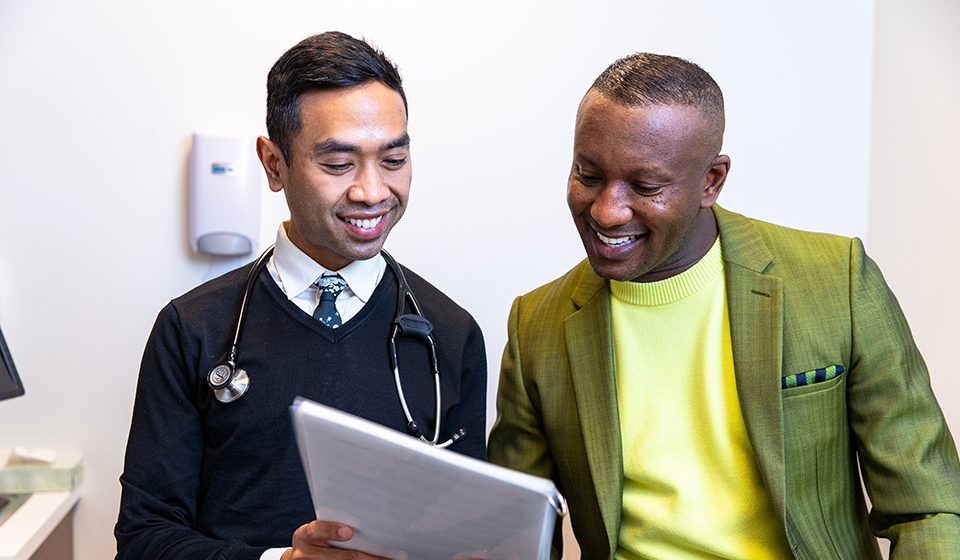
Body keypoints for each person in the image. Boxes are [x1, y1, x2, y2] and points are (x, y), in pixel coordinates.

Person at [487, 52, 960, 559]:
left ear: (711, 181)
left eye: (645, 187)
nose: (607, 210)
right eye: (587, 174)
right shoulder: (537, 325)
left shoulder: (837, 280)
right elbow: (515, 533)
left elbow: (927, 508)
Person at [115, 32, 487, 560]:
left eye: (393, 159)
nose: (372, 191)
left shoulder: (450, 335)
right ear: (273, 165)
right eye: (338, 164)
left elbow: (467, 535)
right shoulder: (192, 329)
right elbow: (143, 540)